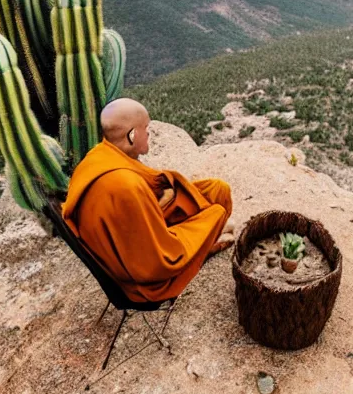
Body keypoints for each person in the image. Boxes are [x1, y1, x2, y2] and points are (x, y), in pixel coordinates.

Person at [62, 98, 233, 303]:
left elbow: (140, 198)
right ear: (133, 135)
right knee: (217, 212)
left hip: (126, 232)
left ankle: (208, 239)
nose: (149, 133)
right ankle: (204, 247)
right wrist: (201, 223)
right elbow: (158, 261)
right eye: (146, 128)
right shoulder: (127, 186)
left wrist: (164, 194)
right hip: (138, 273)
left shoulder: (99, 155)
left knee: (217, 189)